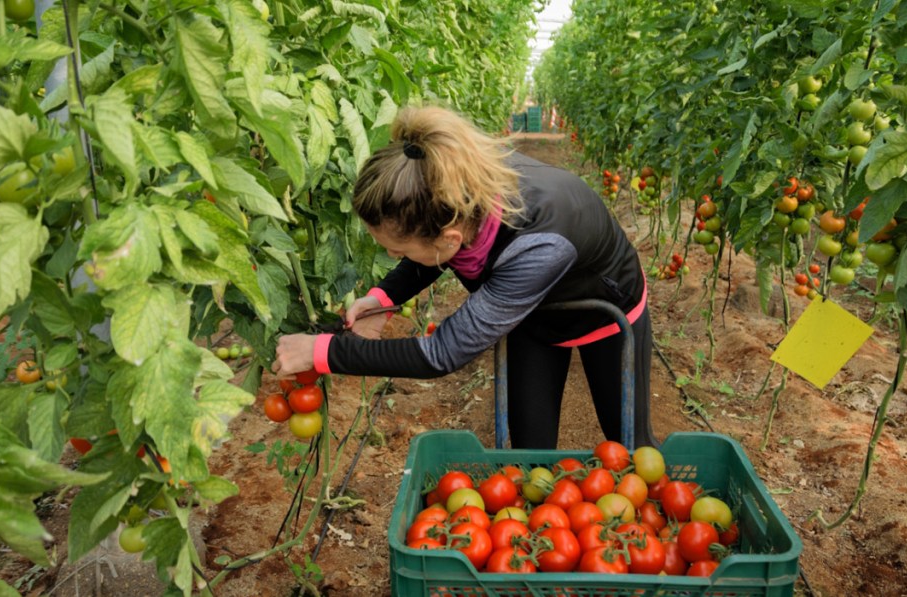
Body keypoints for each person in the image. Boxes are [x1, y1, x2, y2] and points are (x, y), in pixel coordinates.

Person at [272, 105, 652, 449]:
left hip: (604, 311)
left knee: (629, 441)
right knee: (530, 452)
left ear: (451, 238)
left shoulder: (539, 243)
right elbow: (427, 248)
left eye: (399, 251)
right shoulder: (451, 192)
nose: (394, 257)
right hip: (531, 317)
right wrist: (383, 298)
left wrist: (323, 352)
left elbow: (440, 354)